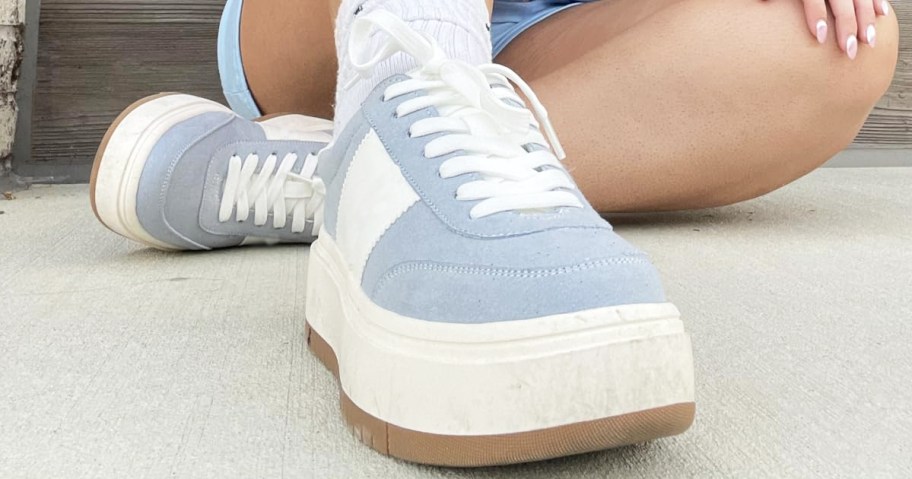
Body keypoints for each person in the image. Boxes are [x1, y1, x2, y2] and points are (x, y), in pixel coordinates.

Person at [88, 0, 896, 467]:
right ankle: (395, 124)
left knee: (843, 45)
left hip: (558, 36)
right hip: (334, 24)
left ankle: (346, 171)